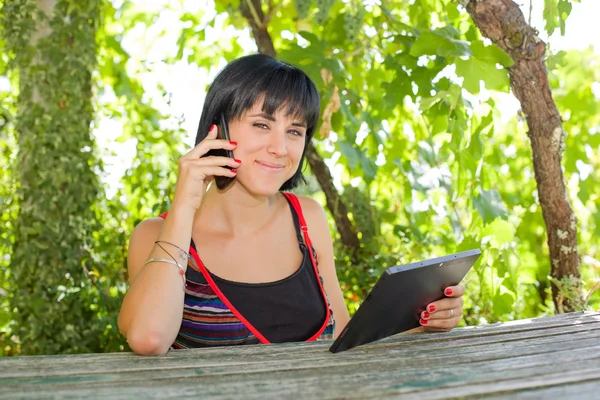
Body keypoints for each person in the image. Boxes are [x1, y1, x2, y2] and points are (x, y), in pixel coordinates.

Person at [117, 54, 466, 356]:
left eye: (295, 131)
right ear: (217, 129)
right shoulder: (155, 235)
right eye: (261, 124)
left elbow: (341, 339)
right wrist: (183, 207)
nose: (280, 148)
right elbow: (149, 338)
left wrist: (423, 321)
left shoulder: (308, 218)